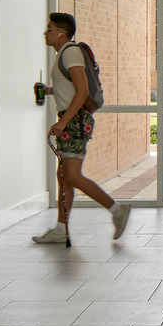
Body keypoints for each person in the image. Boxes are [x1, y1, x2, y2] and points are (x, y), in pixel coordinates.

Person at [33, 13, 131, 246]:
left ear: (61, 33)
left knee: (73, 176)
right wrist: (48, 90)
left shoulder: (71, 53)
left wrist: (63, 122)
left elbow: (82, 91)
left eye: (50, 28)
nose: (46, 33)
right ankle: (60, 228)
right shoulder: (63, 55)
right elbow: (71, 89)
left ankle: (117, 210)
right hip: (72, 118)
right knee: (64, 176)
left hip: (75, 121)